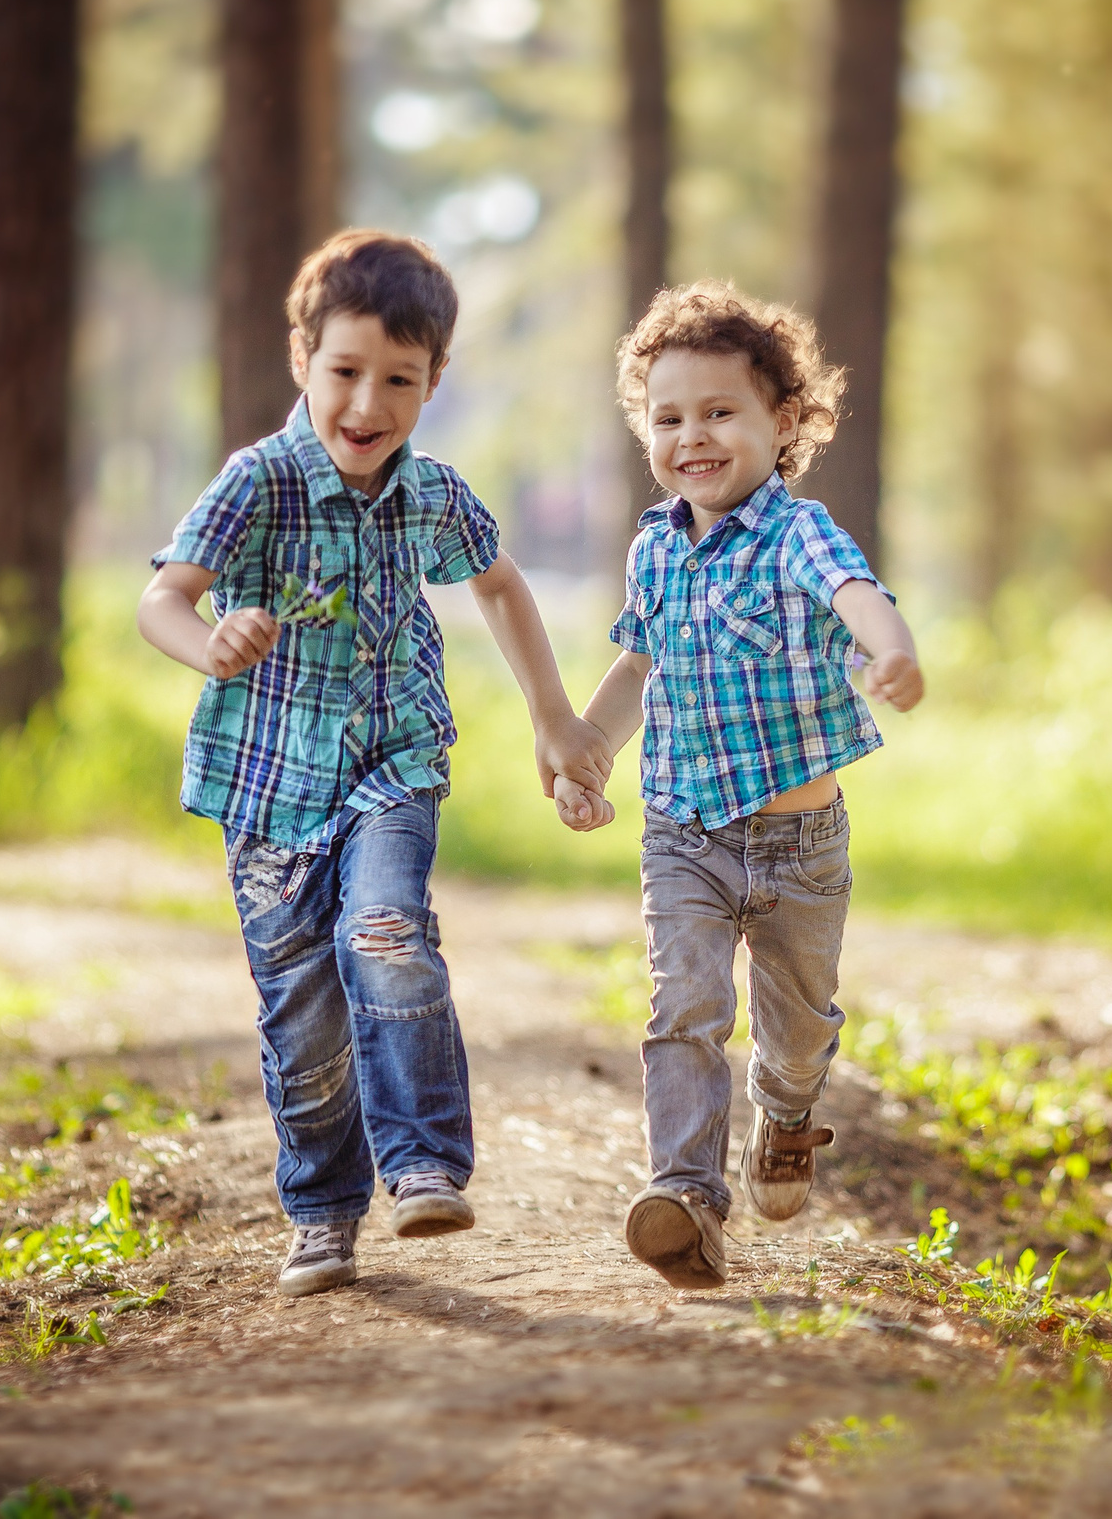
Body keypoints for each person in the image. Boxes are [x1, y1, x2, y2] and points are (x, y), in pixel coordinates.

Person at [138, 230, 612, 1298]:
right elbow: (161, 597)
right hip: (267, 793)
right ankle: (321, 1209)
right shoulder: (255, 483)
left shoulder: (430, 493)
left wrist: (552, 718)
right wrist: (204, 641)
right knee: (301, 1011)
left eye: (398, 380)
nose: (368, 403)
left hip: (394, 765)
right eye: (345, 371)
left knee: (385, 931)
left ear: (434, 382)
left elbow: (498, 584)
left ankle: (424, 1164)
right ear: (303, 358)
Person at [554, 281, 924, 1289]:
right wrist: (587, 747)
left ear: (784, 423)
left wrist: (889, 652)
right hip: (684, 835)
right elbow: (637, 666)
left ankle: (791, 1114)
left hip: (799, 844)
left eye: (720, 411)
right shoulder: (652, 550)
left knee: (798, 1030)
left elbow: (858, 597)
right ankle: (685, 1201)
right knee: (684, 1007)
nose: (693, 436)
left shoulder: (796, 535)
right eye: (667, 417)